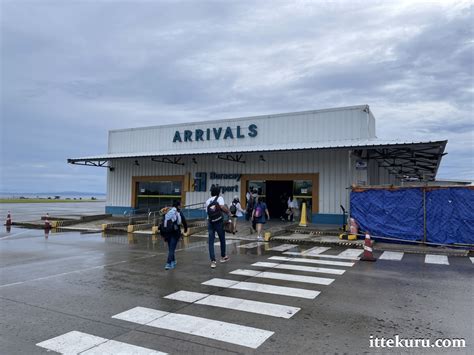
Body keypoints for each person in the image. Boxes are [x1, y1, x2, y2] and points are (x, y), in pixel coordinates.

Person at [206, 185, 231, 268]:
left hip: (210, 221)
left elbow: (207, 212)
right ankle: (223, 257)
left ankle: (213, 261)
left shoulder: (207, 201)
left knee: (211, 241)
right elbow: (222, 207)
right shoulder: (220, 198)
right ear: (218, 192)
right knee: (222, 238)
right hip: (219, 222)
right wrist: (228, 212)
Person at [160, 202, 186, 270]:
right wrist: (185, 229)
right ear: (178, 206)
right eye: (180, 206)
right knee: (172, 249)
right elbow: (180, 222)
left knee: (171, 248)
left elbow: (162, 219)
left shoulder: (167, 211)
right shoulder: (177, 212)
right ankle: (168, 263)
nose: (180, 207)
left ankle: (173, 261)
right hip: (174, 233)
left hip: (167, 232)